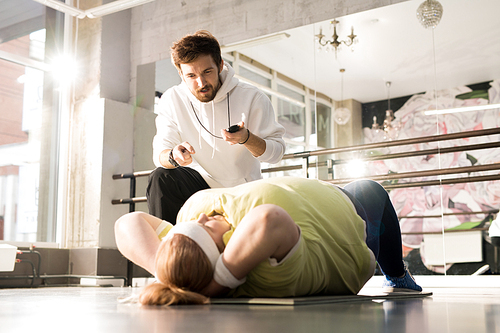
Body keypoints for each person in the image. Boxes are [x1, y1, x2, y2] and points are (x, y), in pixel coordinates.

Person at [115, 177, 422, 306]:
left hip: (314, 201)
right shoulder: (262, 271)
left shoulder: (192, 244)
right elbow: (269, 219)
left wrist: (167, 273)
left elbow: (127, 223)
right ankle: (397, 275)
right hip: (353, 218)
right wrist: (218, 282)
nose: (201, 218)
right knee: (370, 188)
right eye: (205, 229)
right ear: (222, 253)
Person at [147, 30, 286, 223]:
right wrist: (174, 155)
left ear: (220, 65)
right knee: (161, 177)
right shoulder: (172, 99)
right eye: (191, 75)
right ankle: (168, 248)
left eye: (207, 72)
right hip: (198, 185)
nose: (201, 83)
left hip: (241, 191)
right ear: (181, 73)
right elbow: (160, 156)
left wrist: (247, 139)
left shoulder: (252, 97)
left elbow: (277, 153)